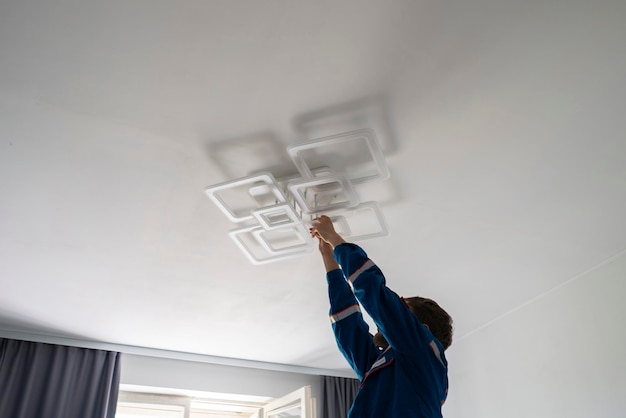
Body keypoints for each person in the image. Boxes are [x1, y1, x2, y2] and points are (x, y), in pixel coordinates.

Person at [309, 215, 453, 418]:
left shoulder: (424, 354)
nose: (395, 309)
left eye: (403, 307)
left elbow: (375, 295)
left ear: (423, 330)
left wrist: (334, 238)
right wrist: (330, 258)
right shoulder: (387, 369)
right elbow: (349, 328)